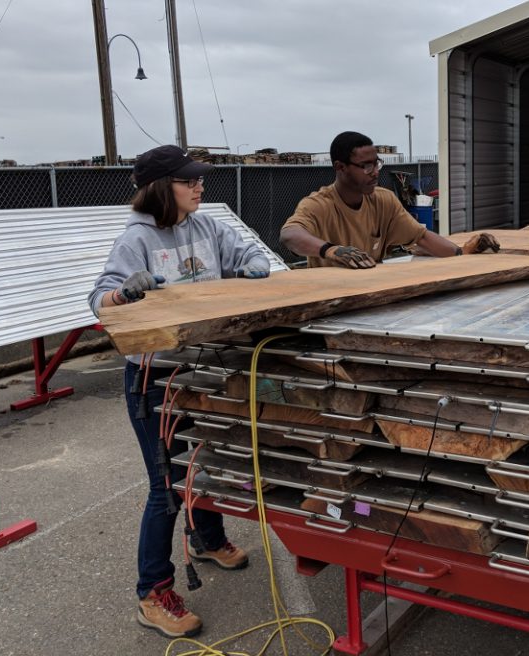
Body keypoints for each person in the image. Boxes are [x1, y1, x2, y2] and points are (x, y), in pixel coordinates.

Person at [88, 145, 271, 638]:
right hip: (155, 378)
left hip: (203, 369)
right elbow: (97, 299)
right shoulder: (136, 240)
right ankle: (152, 592)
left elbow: (250, 251)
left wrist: (253, 264)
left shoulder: (207, 227)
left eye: (199, 179)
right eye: (188, 180)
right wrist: (124, 293)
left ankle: (207, 540)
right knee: (164, 486)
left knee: (207, 461)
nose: (199, 186)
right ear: (158, 187)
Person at [280, 131, 499, 268]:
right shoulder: (319, 205)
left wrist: (463, 256)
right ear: (340, 167)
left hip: (373, 295)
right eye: (366, 166)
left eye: (376, 163)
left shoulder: (383, 201)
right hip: (331, 300)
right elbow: (290, 235)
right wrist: (332, 250)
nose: (375, 172)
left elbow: (421, 238)